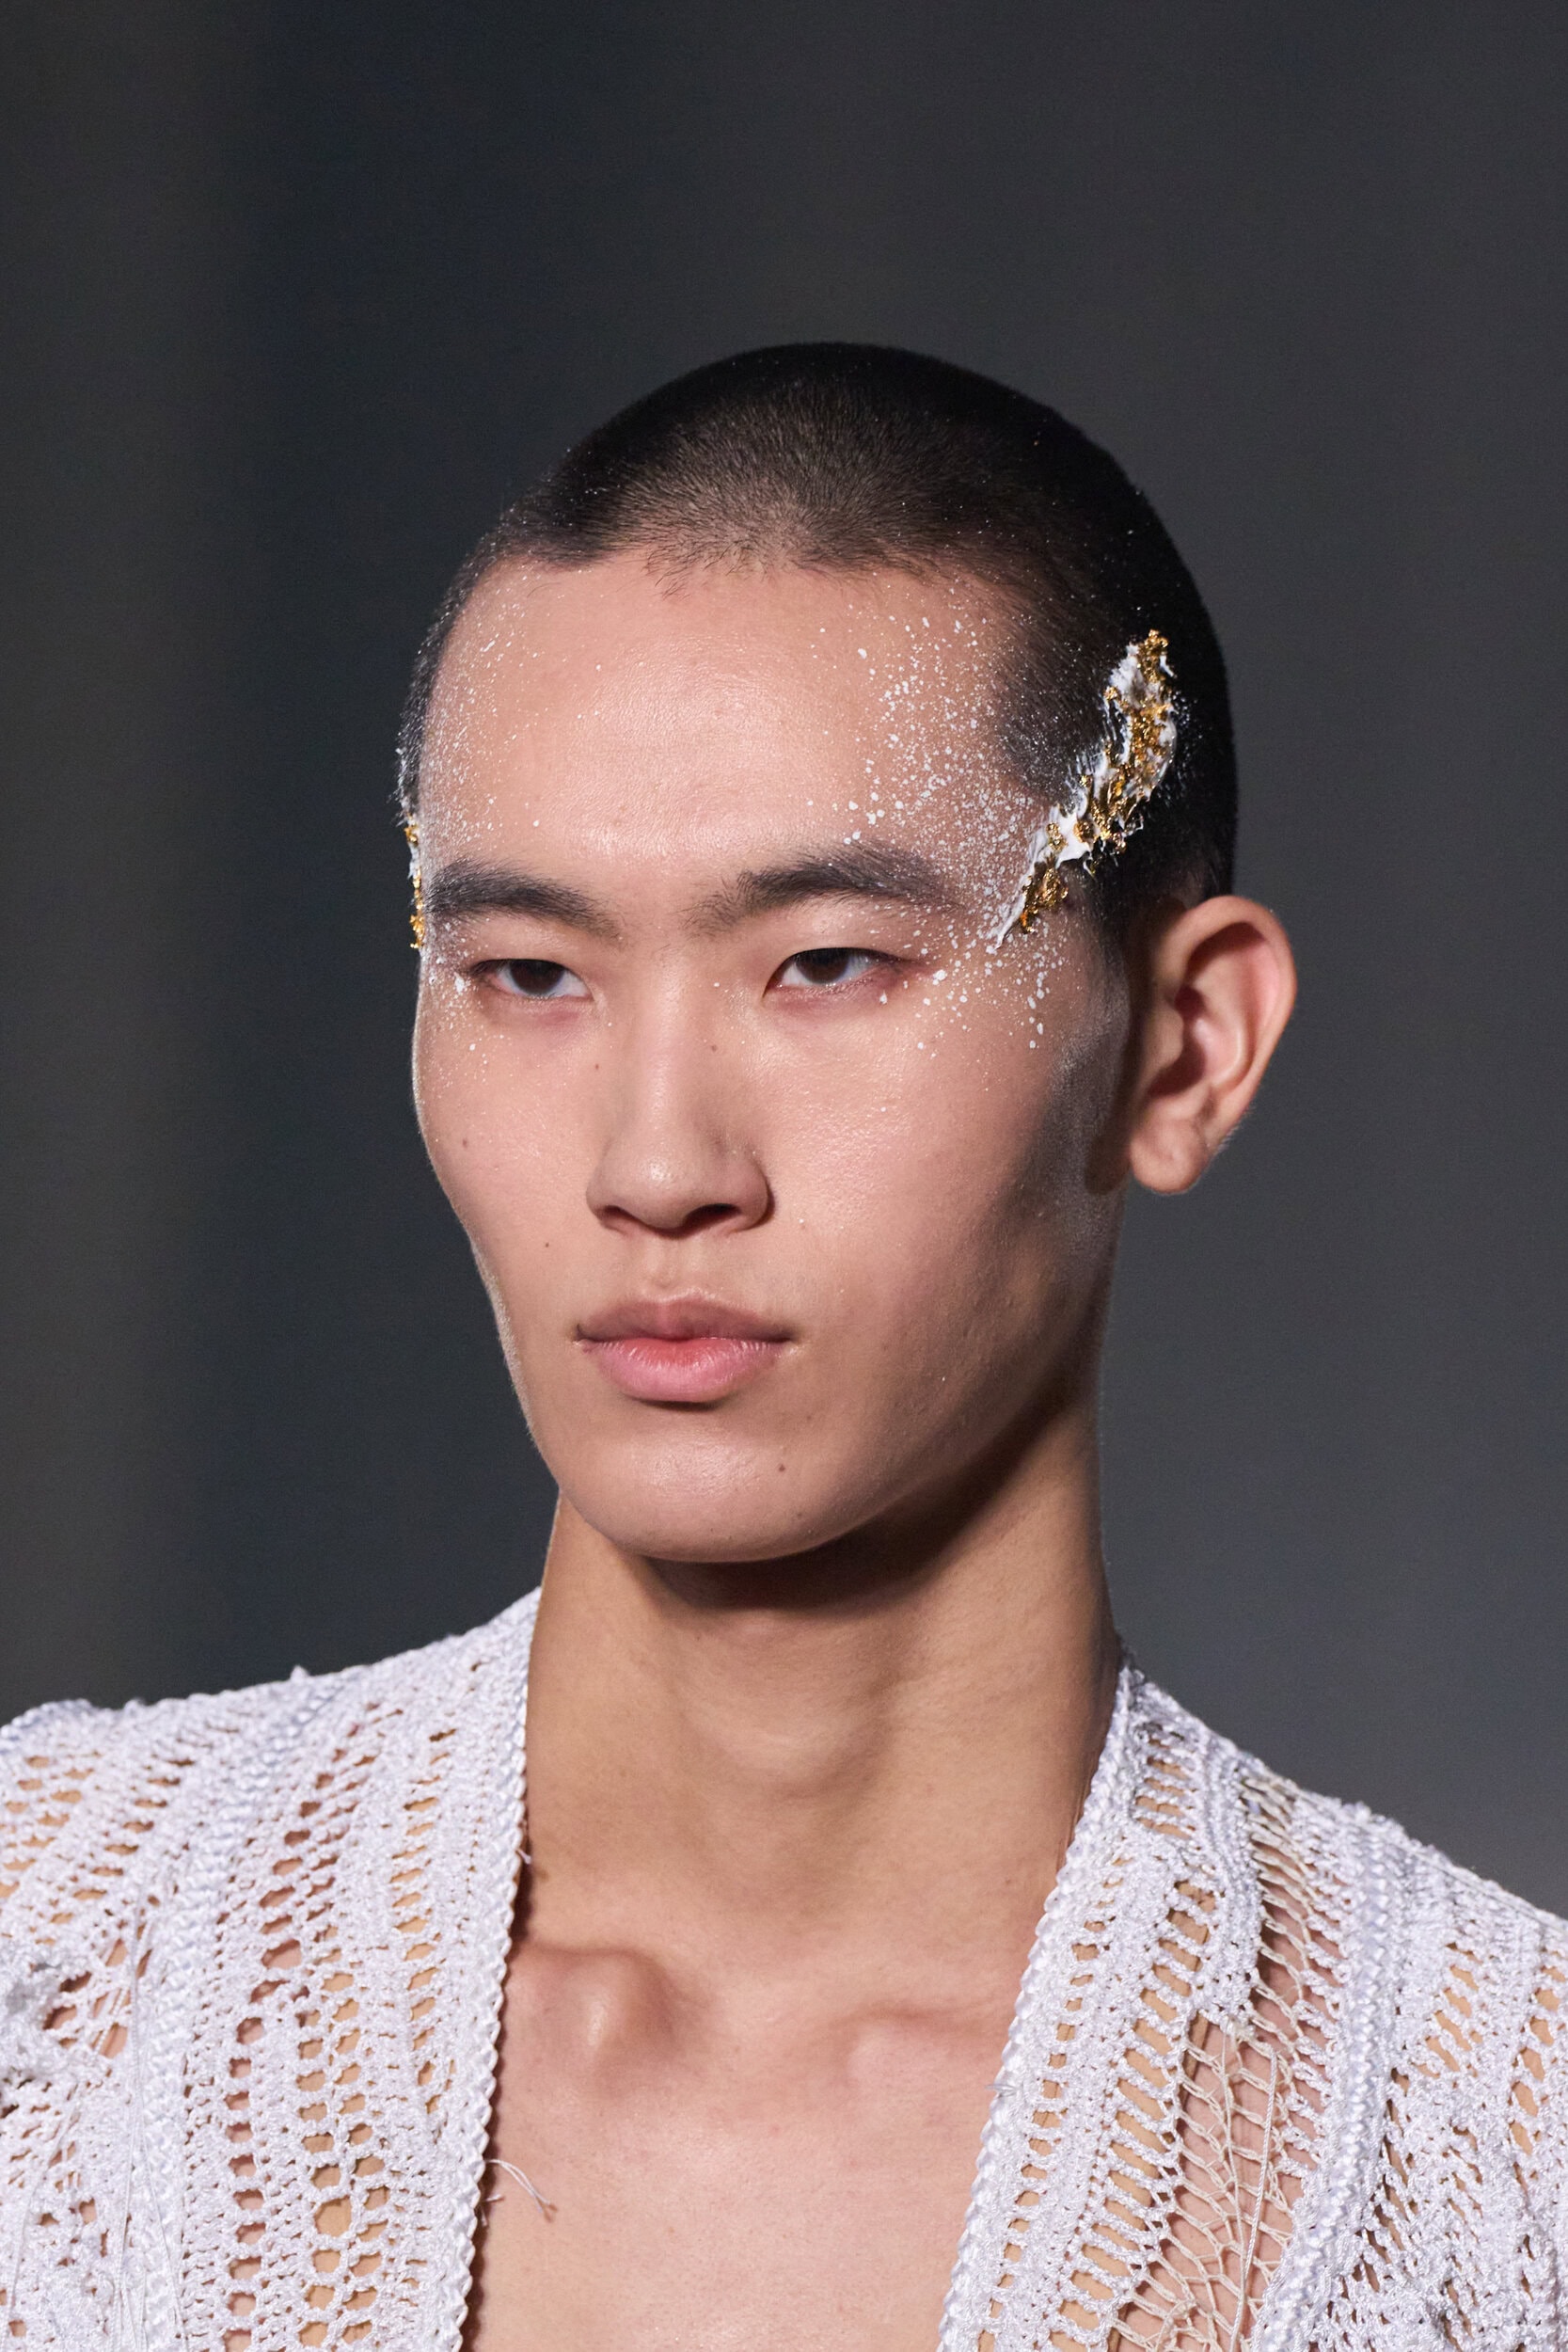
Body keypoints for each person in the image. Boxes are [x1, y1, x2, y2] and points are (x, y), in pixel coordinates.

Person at [2, 344, 1562, 2352]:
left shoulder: (1508, 2169)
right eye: (528, 973)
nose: (659, 1166)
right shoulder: (51, 1960)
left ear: (1183, 1047)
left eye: (826, 964)